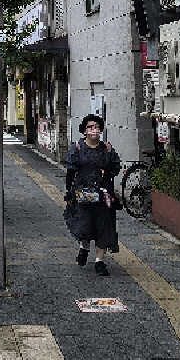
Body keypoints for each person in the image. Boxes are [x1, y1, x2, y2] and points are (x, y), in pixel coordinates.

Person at [64, 113, 121, 275]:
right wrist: (69, 192)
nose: (94, 130)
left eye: (96, 127)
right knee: (85, 224)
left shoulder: (107, 149)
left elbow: (116, 168)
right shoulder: (78, 148)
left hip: (103, 195)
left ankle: (99, 262)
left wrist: (107, 172)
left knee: (104, 226)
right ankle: (84, 247)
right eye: (90, 127)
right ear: (84, 131)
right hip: (83, 193)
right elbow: (70, 172)